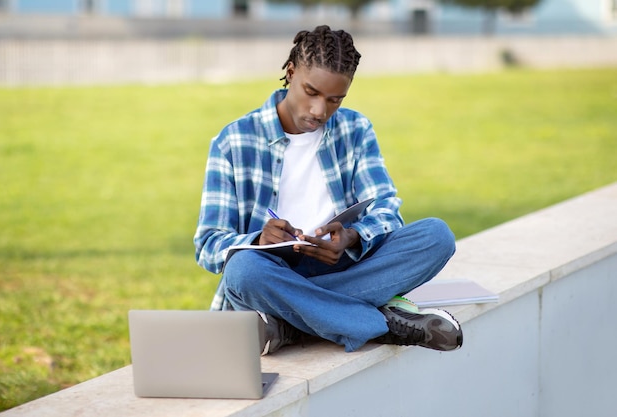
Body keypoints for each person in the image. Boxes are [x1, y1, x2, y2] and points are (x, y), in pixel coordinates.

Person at [194, 25, 462, 355]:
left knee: (436, 236)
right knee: (243, 271)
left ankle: (289, 324)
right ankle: (378, 325)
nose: (320, 111)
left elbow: (387, 211)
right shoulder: (233, 140)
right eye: (312, 92)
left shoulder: (355, 129)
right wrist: (257, 241)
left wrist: (353, 237)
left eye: (335, 100)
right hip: (272, 271)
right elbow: (208, 245)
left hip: (341, 265)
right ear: (290, 73)